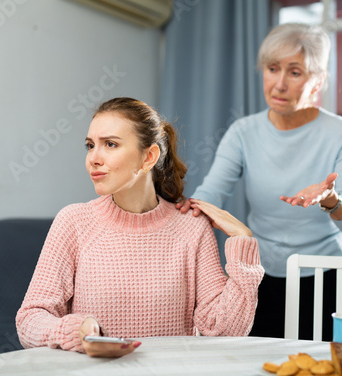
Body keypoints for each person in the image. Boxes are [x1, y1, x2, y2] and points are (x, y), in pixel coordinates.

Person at [16, 97, 264, 358]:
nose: (94, 158)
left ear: (149, 157)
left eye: (110, 144)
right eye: (90, 146)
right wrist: (73, 331)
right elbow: (29, 320)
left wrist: (242, 241)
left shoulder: (192, 230)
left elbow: (225, 332)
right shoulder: (74, 222)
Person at [177, 23, 342, 340]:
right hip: (261, 276)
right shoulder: (243, 132)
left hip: (329, 278)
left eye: (295, 73)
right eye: (272, 68)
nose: (279, 84)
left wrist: (332, 201)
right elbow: (212, 193)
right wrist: (182, 211)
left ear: (318, 80)